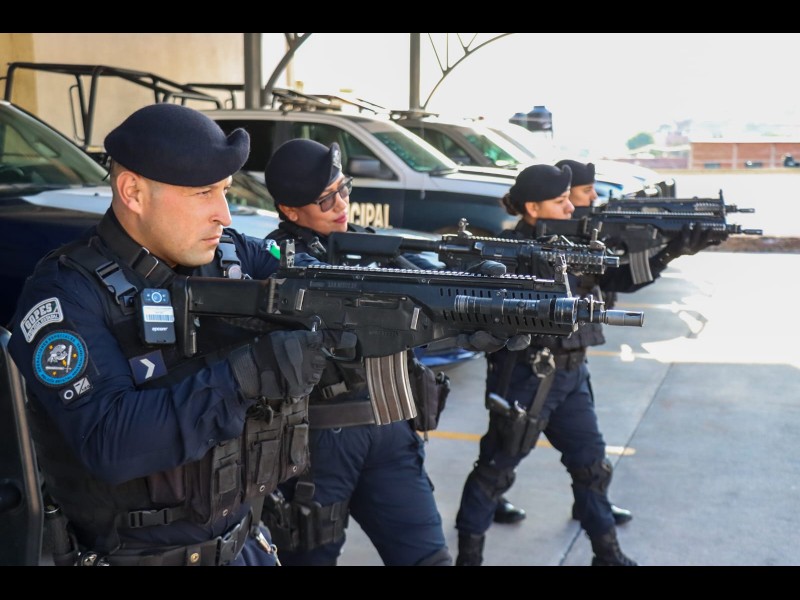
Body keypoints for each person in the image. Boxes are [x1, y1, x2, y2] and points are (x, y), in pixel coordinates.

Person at [7, 104, 329, 566]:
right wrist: (245, 375)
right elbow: (109, 442)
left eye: (225, 190)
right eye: (203, 193)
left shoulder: (226, 254)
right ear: (133, 192)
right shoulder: (66, 294)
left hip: (243, 545)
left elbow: (304, 276)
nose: (224, 215)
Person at [259, 138, 529, 566]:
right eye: (326, 199)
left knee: (429, 559)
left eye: (344, 189)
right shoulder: (274, 262)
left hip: (390, 432)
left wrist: (481, 303)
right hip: (317, 445)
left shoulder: (369, 247)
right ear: (290, 211)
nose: (341, 204)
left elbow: (435, 291)